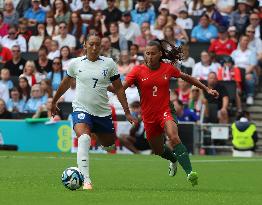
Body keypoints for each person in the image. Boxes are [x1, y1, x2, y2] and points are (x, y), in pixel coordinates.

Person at [108, 40, 219, 186]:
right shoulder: (137, 71)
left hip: (166, 110)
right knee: (158, 150)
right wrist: (104, 86)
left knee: (173, 137)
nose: (150, 56)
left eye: (153, 53)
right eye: (147, 53)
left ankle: (190, 172)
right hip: (148, 116)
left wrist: (207, 89)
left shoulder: (167, 68)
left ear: (160, 54)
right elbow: (121, 88)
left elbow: (187, 77)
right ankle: (173, 159)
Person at [51, 33, 136, 190]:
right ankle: (86, 180)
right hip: (81, 109)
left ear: (101, 47)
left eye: (97, 44)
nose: (94, 47)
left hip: (102, 113)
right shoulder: (75, 63)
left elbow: (119, 88)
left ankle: (97, 134)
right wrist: (54, 101)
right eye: (91, 44)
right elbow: (65, 84)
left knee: (109, 146)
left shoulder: (109, 63)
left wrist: (127, 112)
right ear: (85, 45)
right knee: (83, 138)